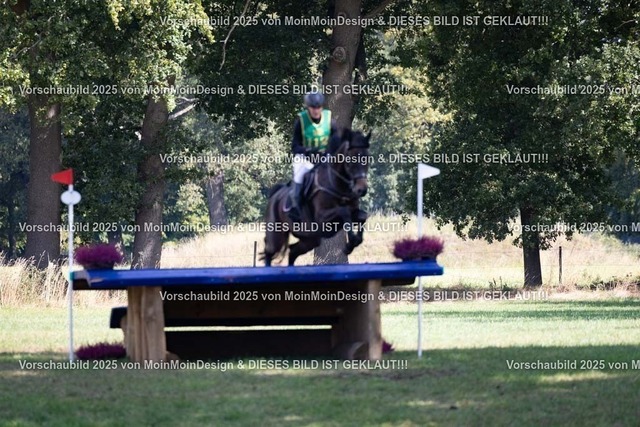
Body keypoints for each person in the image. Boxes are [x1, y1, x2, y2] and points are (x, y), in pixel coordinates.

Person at [289, 91, 338, 220]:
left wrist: (329, 152)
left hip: (325, 158)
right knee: (298, 181)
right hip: (305, 159)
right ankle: (296, 211)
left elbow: (336, 141)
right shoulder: (301, 121)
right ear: (308, 107)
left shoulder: (329, 120)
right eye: (313, 107)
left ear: (322, 106)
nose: (316, 110)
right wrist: (308, 150)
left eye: (318, 107)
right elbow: (294, 146)